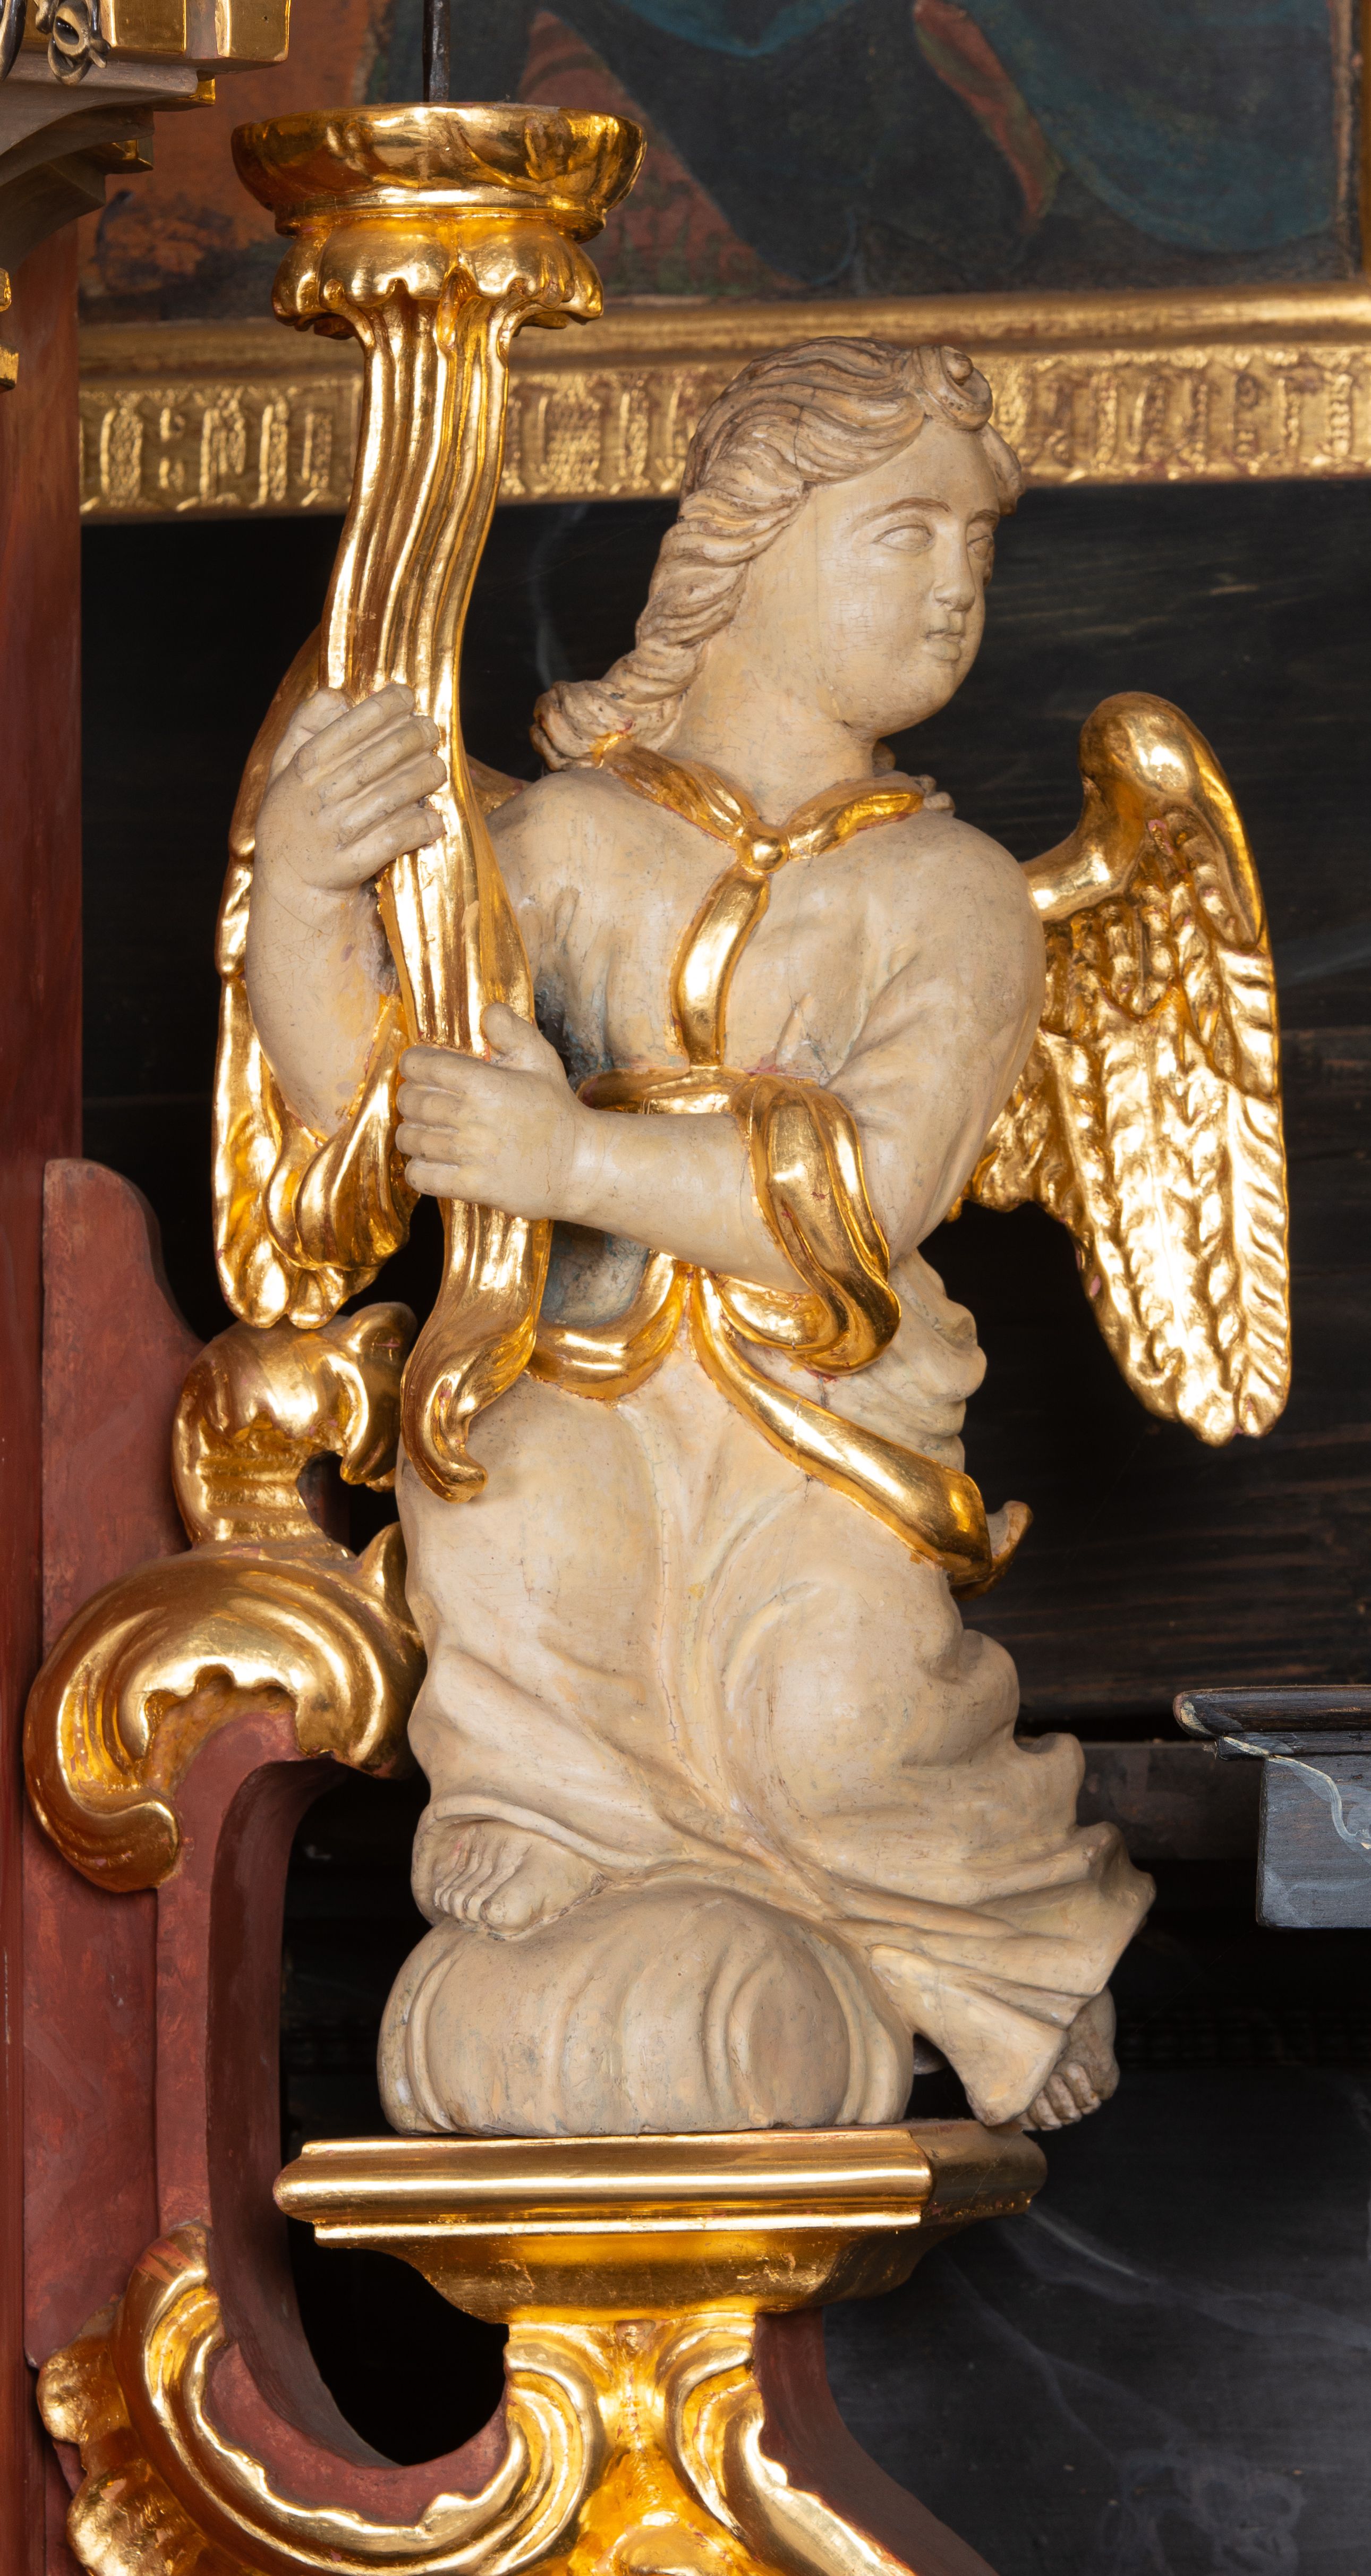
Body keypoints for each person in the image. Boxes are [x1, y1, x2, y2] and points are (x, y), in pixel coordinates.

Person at [235, 338, 1151, 2138]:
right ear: (750, 545)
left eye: (978, 546)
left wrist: (573, 1154)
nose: (956, 585)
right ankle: (556, 1818)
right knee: (518, 1533)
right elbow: (375, 1099)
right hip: (563, 1367)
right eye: (905, 533)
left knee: (837, 1707)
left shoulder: (954, 895)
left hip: (822, 1411)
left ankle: (989, 1941)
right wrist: (304, 891)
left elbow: (868, 1196)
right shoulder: (567, 840)